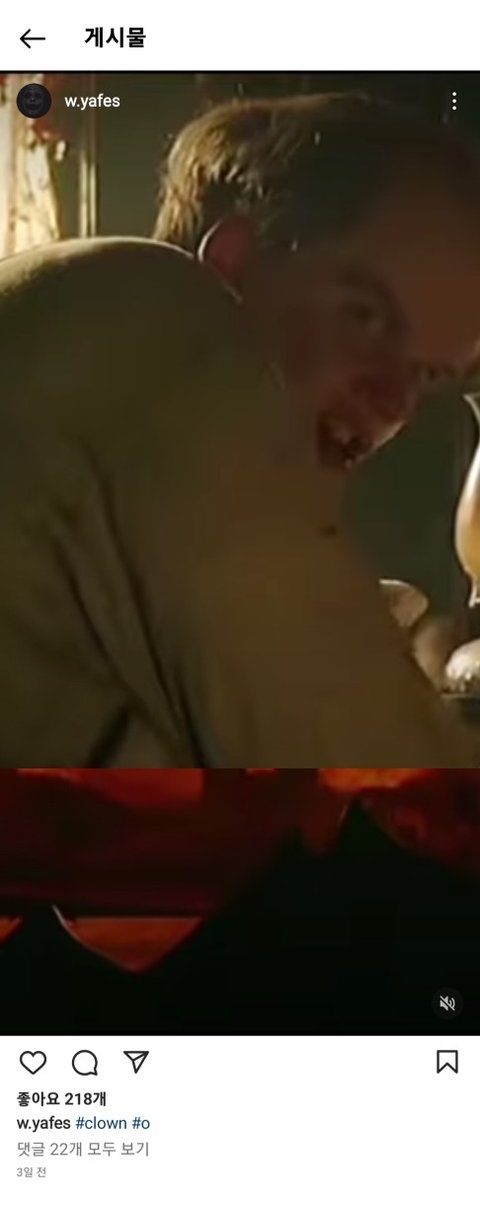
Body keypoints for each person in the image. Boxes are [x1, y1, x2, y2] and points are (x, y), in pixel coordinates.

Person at [1, 92, 480, 767]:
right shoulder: (138, 307)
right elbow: (386, 784)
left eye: (426, 373)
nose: (393, 399)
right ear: (231, 260)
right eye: (366, 316)